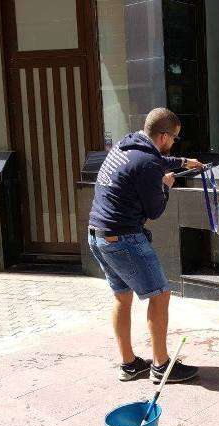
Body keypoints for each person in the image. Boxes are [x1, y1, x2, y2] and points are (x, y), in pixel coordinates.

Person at [88, 107, 204, 382]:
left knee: (122, 297)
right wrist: (165, 186)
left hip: (98, 234)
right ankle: (161, 365)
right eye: (174, 138)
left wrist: (184, 162)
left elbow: (154, 160)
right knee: (160, 295)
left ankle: (129, 364)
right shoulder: (149, 164)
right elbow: (155, 211)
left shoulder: (127, 144)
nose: (173, 142)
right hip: (122, 238)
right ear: (163, 136)